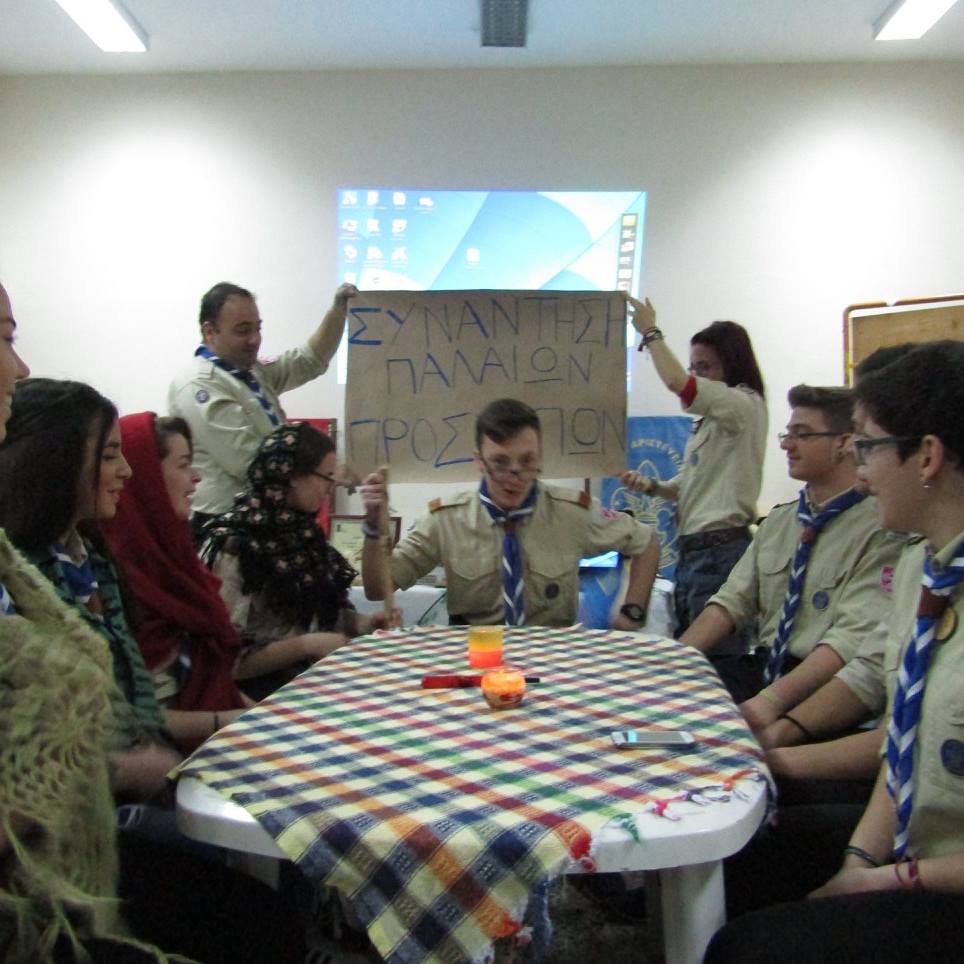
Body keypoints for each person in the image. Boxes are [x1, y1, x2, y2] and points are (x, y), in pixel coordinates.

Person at [0, 284, 305, 963]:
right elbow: (104, 743)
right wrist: (216, 731)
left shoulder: (96, 563)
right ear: (61, 465)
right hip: (83, 828)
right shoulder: (37, 578)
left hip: (132, 782)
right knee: (258, 897)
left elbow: (136, 711)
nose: (128, 472)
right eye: (111, 455)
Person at [705, 340, 964, 963]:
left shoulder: (896, 553)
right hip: (906, 846)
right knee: (734, 861)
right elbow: (902, 747)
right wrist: (857, 860)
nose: (861, 468)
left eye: (868, 446)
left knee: (743, 950)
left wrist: (887, 882)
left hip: (943, 877)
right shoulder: (923, 571)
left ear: (927, 456)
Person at [680, 386, 903, 709]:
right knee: (675, 699)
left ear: (844, 442)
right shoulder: (780, 522)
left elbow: (848, 642)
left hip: (825, 685)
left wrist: (769, 703)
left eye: (803, 434)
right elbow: (730, 604)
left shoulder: (879, 529)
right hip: (764, 666)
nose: (787, 444)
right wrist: (674, 659)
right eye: (787, 434)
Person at [359, 397, 660, 629]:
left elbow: (646, 542)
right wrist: (373, 526)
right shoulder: (446, 519)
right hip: (476, 656)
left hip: (552, 657)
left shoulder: (572, 512)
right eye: (500, 462)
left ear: (540, 457)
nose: (514, 476)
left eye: (527, 461)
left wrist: (633, 609)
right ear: (479, 461)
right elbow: (377, 588)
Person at [201, 421, 396, 693]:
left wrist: (366, 622)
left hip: (309, 684)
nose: (329, 488)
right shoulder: (236, 545)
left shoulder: (304, 537)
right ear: (292, 474)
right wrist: (305, 645)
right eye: (325, 477)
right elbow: (223, 661)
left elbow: (320, 615)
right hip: (257, 695)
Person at [622, 297, 767, 649]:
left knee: (714, 660)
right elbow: (687, 485)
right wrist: (652, 486)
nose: (697, 375)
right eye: (694, 367)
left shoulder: (741, 404)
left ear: (732, 365)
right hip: (697, 552)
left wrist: (650, 332)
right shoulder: (715, 420)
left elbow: (678, 383)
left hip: (720, 551)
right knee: (693, 654)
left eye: (705, 367)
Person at [102, 412, 252, 753]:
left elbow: (216, 678)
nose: (196, 478)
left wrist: (258, 716)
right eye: (183, 465)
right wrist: (230, 721)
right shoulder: (111, 582)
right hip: (156, 763)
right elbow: (124, 718)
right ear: (149, 480)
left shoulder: (177, 565)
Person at [168, 280, 357, 537]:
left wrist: (338, 312)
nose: (255, 339)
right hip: (227, 527)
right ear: (209, 331)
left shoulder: (249, 372)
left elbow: (307, 361)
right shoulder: (197, 385)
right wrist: (325, 471)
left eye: (258, 328)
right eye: (243, 330)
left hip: (264, 519)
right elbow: (250, 460)